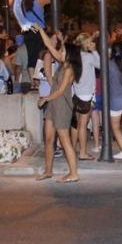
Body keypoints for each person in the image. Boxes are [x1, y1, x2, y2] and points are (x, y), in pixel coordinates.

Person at [36, 38, 78, 183]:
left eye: (63, 50)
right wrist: (39, 29)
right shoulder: (61, 65)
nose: (60, 51)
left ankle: (73, 173)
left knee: (65, 141)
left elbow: (60, 91)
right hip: (53, 104)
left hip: (61, 105)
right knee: (48, 139)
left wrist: (45, 99)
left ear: (69, 53)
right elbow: (48, 45)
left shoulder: (69, 69)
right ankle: (48, 171)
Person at [73, 32, 101, 160]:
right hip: (86, 94)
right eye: (89, 41)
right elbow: (100, 65)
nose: (91, 43)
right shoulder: (88, 56)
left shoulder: (74, 56)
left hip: (76, 92)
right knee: (83, 125)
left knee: (77, 124)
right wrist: (94, 51)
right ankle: (83, 153)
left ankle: (74, 149)